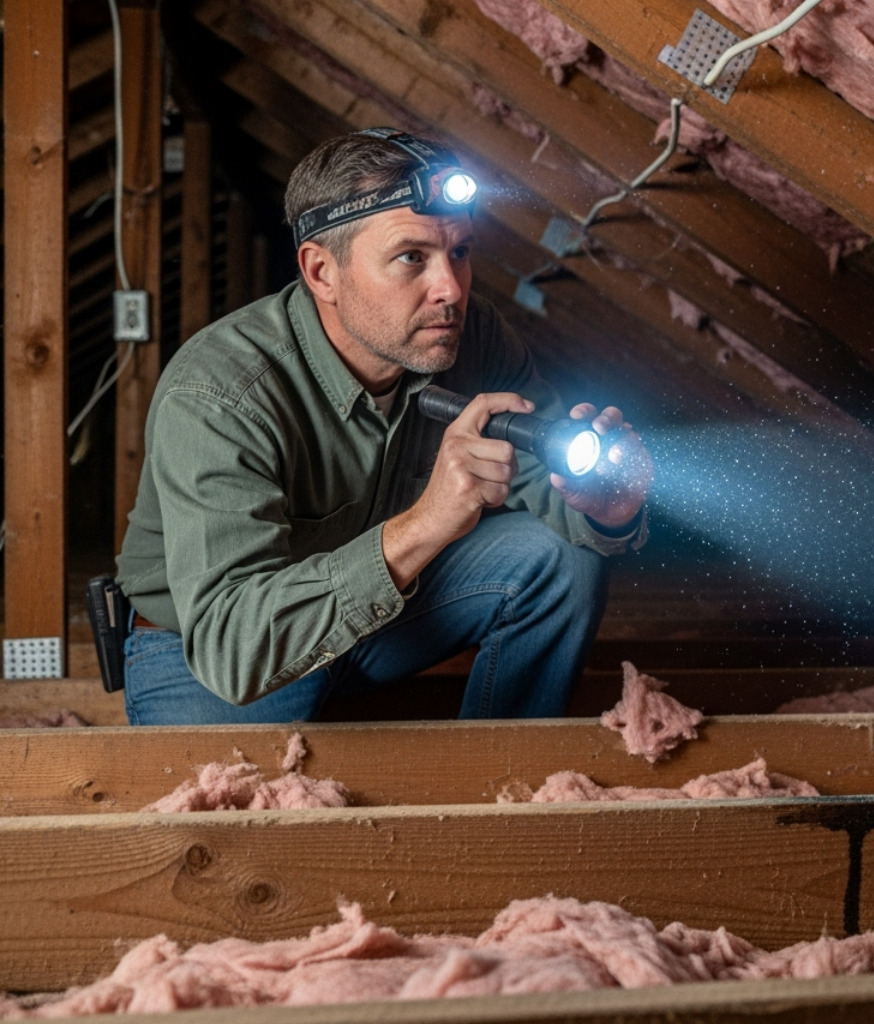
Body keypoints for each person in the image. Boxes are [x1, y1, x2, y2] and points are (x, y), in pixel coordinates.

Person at [113, 128, 652, 725]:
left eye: (461, 253)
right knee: (235, 810)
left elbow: (552, 490)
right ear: (322, 273)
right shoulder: (220, 392)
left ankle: (503, 789)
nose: (450, 288)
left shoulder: (474, 340)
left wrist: (608, 508)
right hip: (209, 656)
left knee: (559, 558)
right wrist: (427, 522)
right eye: (411, 258)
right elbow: (234, 648)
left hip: (378, 622)